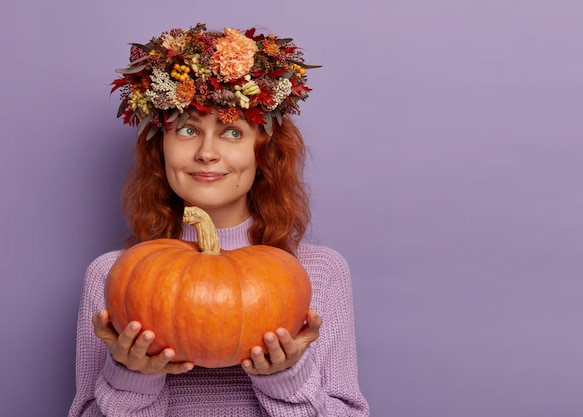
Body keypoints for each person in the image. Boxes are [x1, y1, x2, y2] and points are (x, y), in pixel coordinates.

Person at [68, 23, 369, 416]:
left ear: (264, 152)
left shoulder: (319, 273)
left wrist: (286, 375)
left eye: (231, 132)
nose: (206, 153)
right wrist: (132, 376)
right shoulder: (112, 275)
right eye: (188, 130)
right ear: (159, 149)